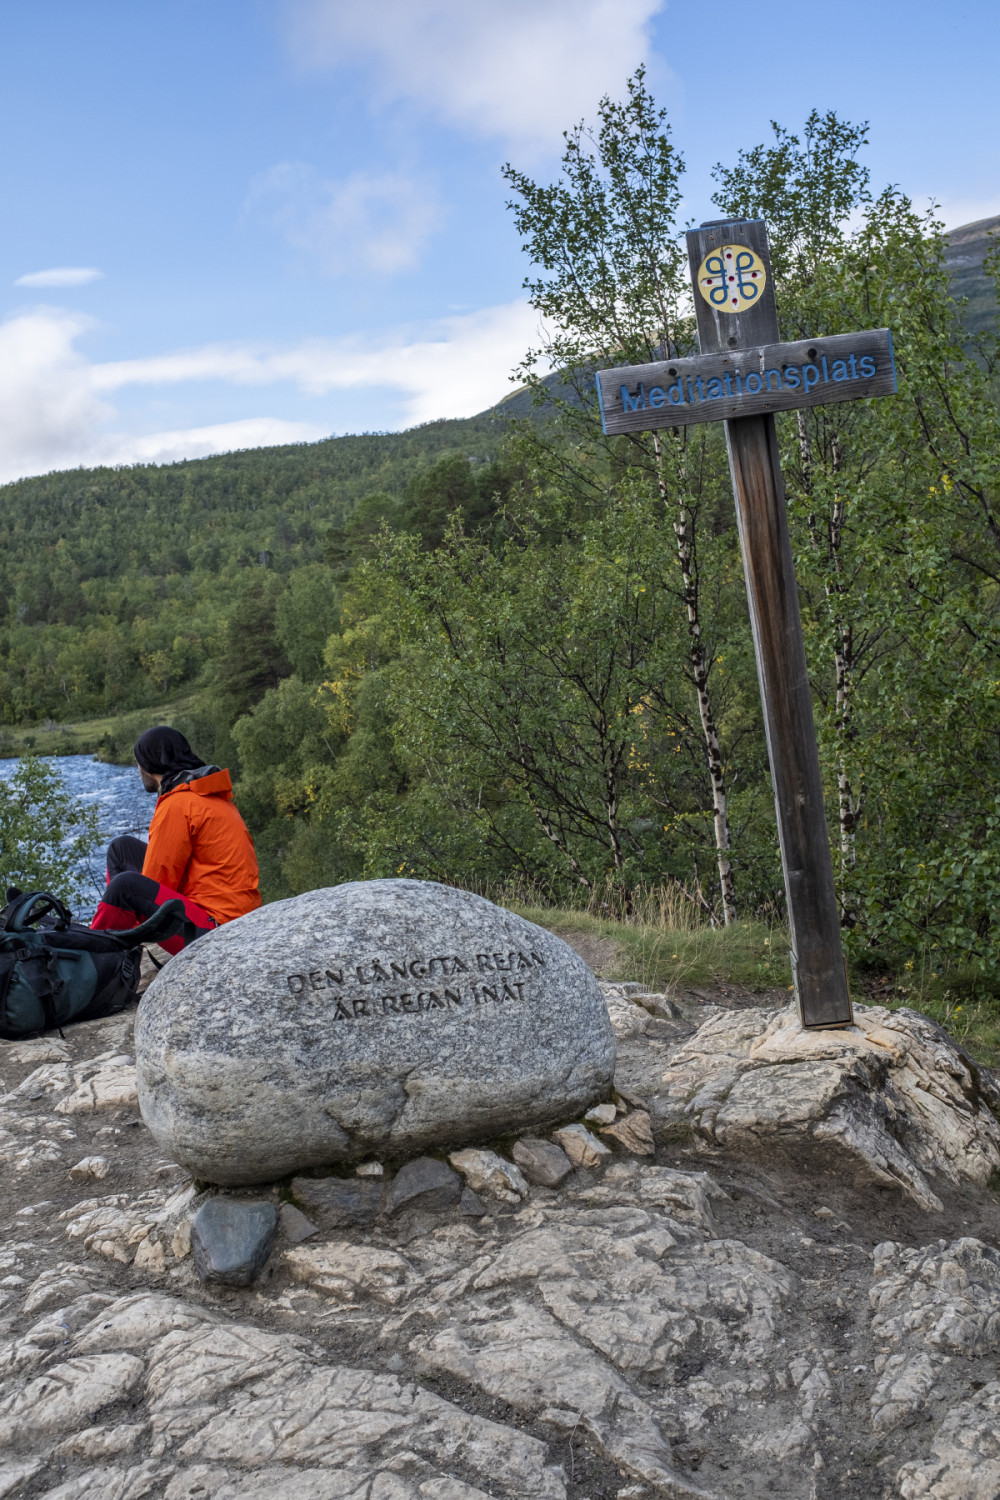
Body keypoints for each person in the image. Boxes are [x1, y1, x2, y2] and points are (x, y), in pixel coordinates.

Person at [90, 727, 261, 954]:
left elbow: (157, 881)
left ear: (151, 764)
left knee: (126, 886)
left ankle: (94, 951)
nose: (138, 768)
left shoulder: (178, 804)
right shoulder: (209, 795)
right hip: (230, 919)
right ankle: (120, 938)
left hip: (215, 933)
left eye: (139, 762)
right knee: (122, 848)